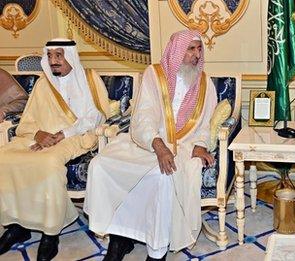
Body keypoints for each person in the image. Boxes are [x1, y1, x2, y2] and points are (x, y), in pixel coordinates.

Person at [84, 30, 217, 261]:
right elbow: (143, 115)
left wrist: (200, 144)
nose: (197, 55)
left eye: (199, 49)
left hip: (182, 146)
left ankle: (157, 250)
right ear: (176, 51)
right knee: (101, 164)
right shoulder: (154, 75)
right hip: (147, 141)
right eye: (191, 49)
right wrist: (158, 144)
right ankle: (119, 237)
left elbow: (206, 121)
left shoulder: (205, 83)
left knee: (162, 176)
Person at [0, 38, 109, 260]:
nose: (53, 61)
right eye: (49, 56)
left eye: (58, 55)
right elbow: (29, 119)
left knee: (47, 163)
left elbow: (96, 115)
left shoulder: (89, 79)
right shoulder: (43, 83)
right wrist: (39, 133)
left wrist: (62, 134)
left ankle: (51, 233)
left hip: (75, 135)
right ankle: (17, 225)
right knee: (4, 157)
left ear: (70, 56)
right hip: (40, 134)